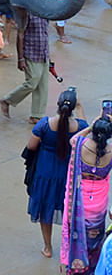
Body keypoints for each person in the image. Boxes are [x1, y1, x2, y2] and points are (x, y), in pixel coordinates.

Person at [25, 88, 85, 259]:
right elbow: (85, 135)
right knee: (69, 210)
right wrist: (81, 108)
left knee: (46, 209)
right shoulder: (79, 126)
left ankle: (48, 247)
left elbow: (31, 146)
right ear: (73, 107)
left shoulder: (44, 124)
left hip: (45, 173)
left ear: (57, 104)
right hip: (67, 174)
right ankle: (70, 247)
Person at [61, 117, 112, 273]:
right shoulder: (110, 151)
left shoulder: (80, 145)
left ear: (94, 133)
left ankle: (76, 266)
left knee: (77, 234)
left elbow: (72, 139)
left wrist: (91, 126)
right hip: (99, 204)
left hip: (80, 202)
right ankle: (92, 266)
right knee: (95, 236)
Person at [1, 11, 50, 122]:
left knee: (42, 86)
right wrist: (20, 58)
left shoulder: (46, 13)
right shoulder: (26, 14)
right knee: (32, 82)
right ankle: (7, 100)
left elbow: (45, 34)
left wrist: (48, 57)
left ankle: (37, 115)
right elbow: (20, 35)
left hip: (43, 54)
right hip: (31, 53)